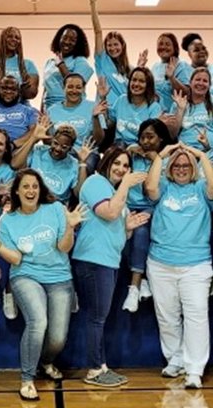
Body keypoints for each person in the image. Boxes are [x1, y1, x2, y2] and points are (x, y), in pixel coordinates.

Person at [0, 169, 86, 401]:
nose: (31, 191)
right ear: (17, 191)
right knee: (38, 321)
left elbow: (64, 248)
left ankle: (45, 362)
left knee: (57, 338)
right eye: (25, 187)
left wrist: (70, 226)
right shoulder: (8, 220)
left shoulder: (55, 210)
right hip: (25, 275)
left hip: (59, 277)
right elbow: (16, 259)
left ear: (40, 189)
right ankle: (27, 379)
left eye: (34, 186)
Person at [143, 142, 213, 389]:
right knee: (167, 316)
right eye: (176, 165)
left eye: (186, 165)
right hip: (160, 263)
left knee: (196, 316)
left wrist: (200, 155)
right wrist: (163, 155)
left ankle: (195, 369)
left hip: (196, 265)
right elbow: (150, 186)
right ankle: (174, 359)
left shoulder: (200, 189)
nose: (181, 169)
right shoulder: (164, 188)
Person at [72, 146, 149, 387]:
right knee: (97, 318)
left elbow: (118, 232)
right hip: (93, 260)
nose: (121, 169)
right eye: (117, 163)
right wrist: (126, 184)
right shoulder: (95, 182)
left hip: (108, 260)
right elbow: (109, 213)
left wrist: (128, 228)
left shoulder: (113, 191)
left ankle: (101, 365)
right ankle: (95, 369)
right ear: (106, 163)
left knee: (100, 317)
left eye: (126, 166)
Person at [121, 120, 176, 312]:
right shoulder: (132, 155)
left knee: (141, 229)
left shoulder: (169, 160)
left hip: (154, 207)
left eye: (151, 136)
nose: (145, 141)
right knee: (125, 228)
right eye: (143, 136)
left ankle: (134, 286)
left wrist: (156, 159)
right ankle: (142, 279)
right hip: (128, 206)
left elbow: (164, 188)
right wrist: (129, 150)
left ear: (161, 138)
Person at [83, 0, 142, 105]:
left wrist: (140, 67)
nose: (112, 48)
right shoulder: (102, 60)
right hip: (105, 109)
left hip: (124, 112)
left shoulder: (130, 69)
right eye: (109, 45)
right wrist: (93, 4)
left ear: (123, 46)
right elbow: (98, 32)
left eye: (116, 44)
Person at [12, 120, 90, 203]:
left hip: (55, 205)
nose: (58, 149)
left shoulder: (74, 164)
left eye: (64, 147)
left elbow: (79, 194)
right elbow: (15, 165)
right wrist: (33, 138)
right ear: (52, 140)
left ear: (70, 148)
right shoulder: (38, 151)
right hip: (30, 199)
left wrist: (82, 163)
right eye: (55, 143)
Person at [175, 68, 213, 152]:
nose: (201, 83)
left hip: (211, 151)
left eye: (205, 81)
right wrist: (180, 110)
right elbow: (172, 134)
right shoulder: (179, 102)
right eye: (198, 79)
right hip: (183, 151)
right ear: (190, 83)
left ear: (209, 85)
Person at [0, 27, 39, 102]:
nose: (14, 39)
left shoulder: (28, 64)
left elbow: (32, 93)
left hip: (21, 109)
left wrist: (22, 90)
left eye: (17, 38)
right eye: (9, 36)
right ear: (2, 39)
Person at [42, 24, 94, 109]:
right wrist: (42, 112)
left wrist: (61, 65)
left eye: (72, 40)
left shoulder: (81, 61)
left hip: (71, 108)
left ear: (78, 44)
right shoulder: (50, 62)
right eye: (65, 37)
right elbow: (45, 90)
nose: (67, 42)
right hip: (49, 108)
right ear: (59, 39)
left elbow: (75, 84)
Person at [110, 67, 164, 147]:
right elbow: (109, 123)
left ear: (148, 85)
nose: (136, 84)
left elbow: (151, 138)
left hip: (142, 146)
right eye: (134, 80)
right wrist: (102, 98)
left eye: (141, 81)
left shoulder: (154, 108)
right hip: (119, 145)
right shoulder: (121, 99)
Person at [151, 32, 193, 111]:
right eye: (160, 44)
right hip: (156, 114)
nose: (163, 47)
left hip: (174, 113)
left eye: (167, 44)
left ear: (175, 47)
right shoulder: (155, 67)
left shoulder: (182, 65)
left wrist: (171, 78)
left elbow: (187, 93)